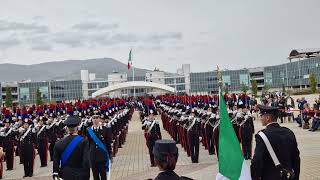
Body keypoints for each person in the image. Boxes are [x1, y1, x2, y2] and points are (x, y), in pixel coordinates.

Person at [251, 105, 300, 180]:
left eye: (261, 116)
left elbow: (257, 162)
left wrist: (255, 177)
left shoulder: (262, 135)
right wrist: (296, 177)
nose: (260, 118)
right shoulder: (289, 132)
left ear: (268, 118)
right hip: (288, 176)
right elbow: (296, 158)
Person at [52, 116, 90, 180]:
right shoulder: (84, 141)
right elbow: (86, 161)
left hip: (65, 174)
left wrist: (55, 173)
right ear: (77, 128)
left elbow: (56, 161)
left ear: (67, 128)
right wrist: (87, 175)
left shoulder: (58, 143)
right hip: (80, 174)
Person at [87, 114, 112, 180]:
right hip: (93, 156)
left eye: (97, 118)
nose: (95, 119)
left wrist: (109, 154)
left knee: (103, 175)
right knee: (95, 176)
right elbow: (88, 144)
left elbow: (108, 143)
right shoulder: (88, 130)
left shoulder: (105, 129)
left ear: (99, 119)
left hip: (102, 156)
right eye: (93, 118)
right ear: (91, 119)